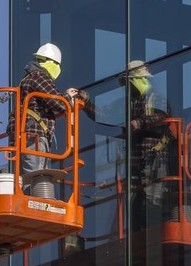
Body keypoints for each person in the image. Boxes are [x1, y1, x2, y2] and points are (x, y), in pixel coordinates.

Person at [72, 60, 175, 230]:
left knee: (151, 203)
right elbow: (103, 115)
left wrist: (139, 122)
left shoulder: (157, 100)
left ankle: (150, 237)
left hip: (154, 161)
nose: (126, 88)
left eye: (129, 83)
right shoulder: (126, 103)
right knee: (133, 204)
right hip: (134, 163)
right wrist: (87, 102)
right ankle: (138, 238)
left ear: (139, 80)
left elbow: (162, 117)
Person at [8, 42, 78, 178]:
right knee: (37, 177)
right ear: (50, 62)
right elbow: (57, 103)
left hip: (24, 134)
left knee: (26, 178)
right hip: (34, 135)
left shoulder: (28, 78)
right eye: (57, 65)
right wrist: (67, 97)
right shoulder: (39, 76)